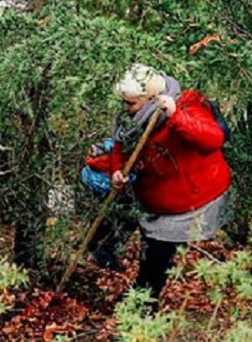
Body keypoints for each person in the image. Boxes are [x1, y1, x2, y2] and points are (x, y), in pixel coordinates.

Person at [110, 63, 232, 309]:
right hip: (155, 201)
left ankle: (143, 305)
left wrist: (176, 116)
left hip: (190, 201)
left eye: (131, 104)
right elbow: (119, 147)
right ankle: (141, 296)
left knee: (156, 256)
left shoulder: (188, 104)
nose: (126, 109)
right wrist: (116, 170)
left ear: (151, 98)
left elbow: (212, 139)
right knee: (152, 253)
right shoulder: (130, 119)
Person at [80, 139, 136, 271]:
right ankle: (103, 251)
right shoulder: (94, 170)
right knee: (127, 221)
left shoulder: (111, 148)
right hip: (113, 196)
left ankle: (93, 245)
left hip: (110, 196)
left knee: (106, 221)